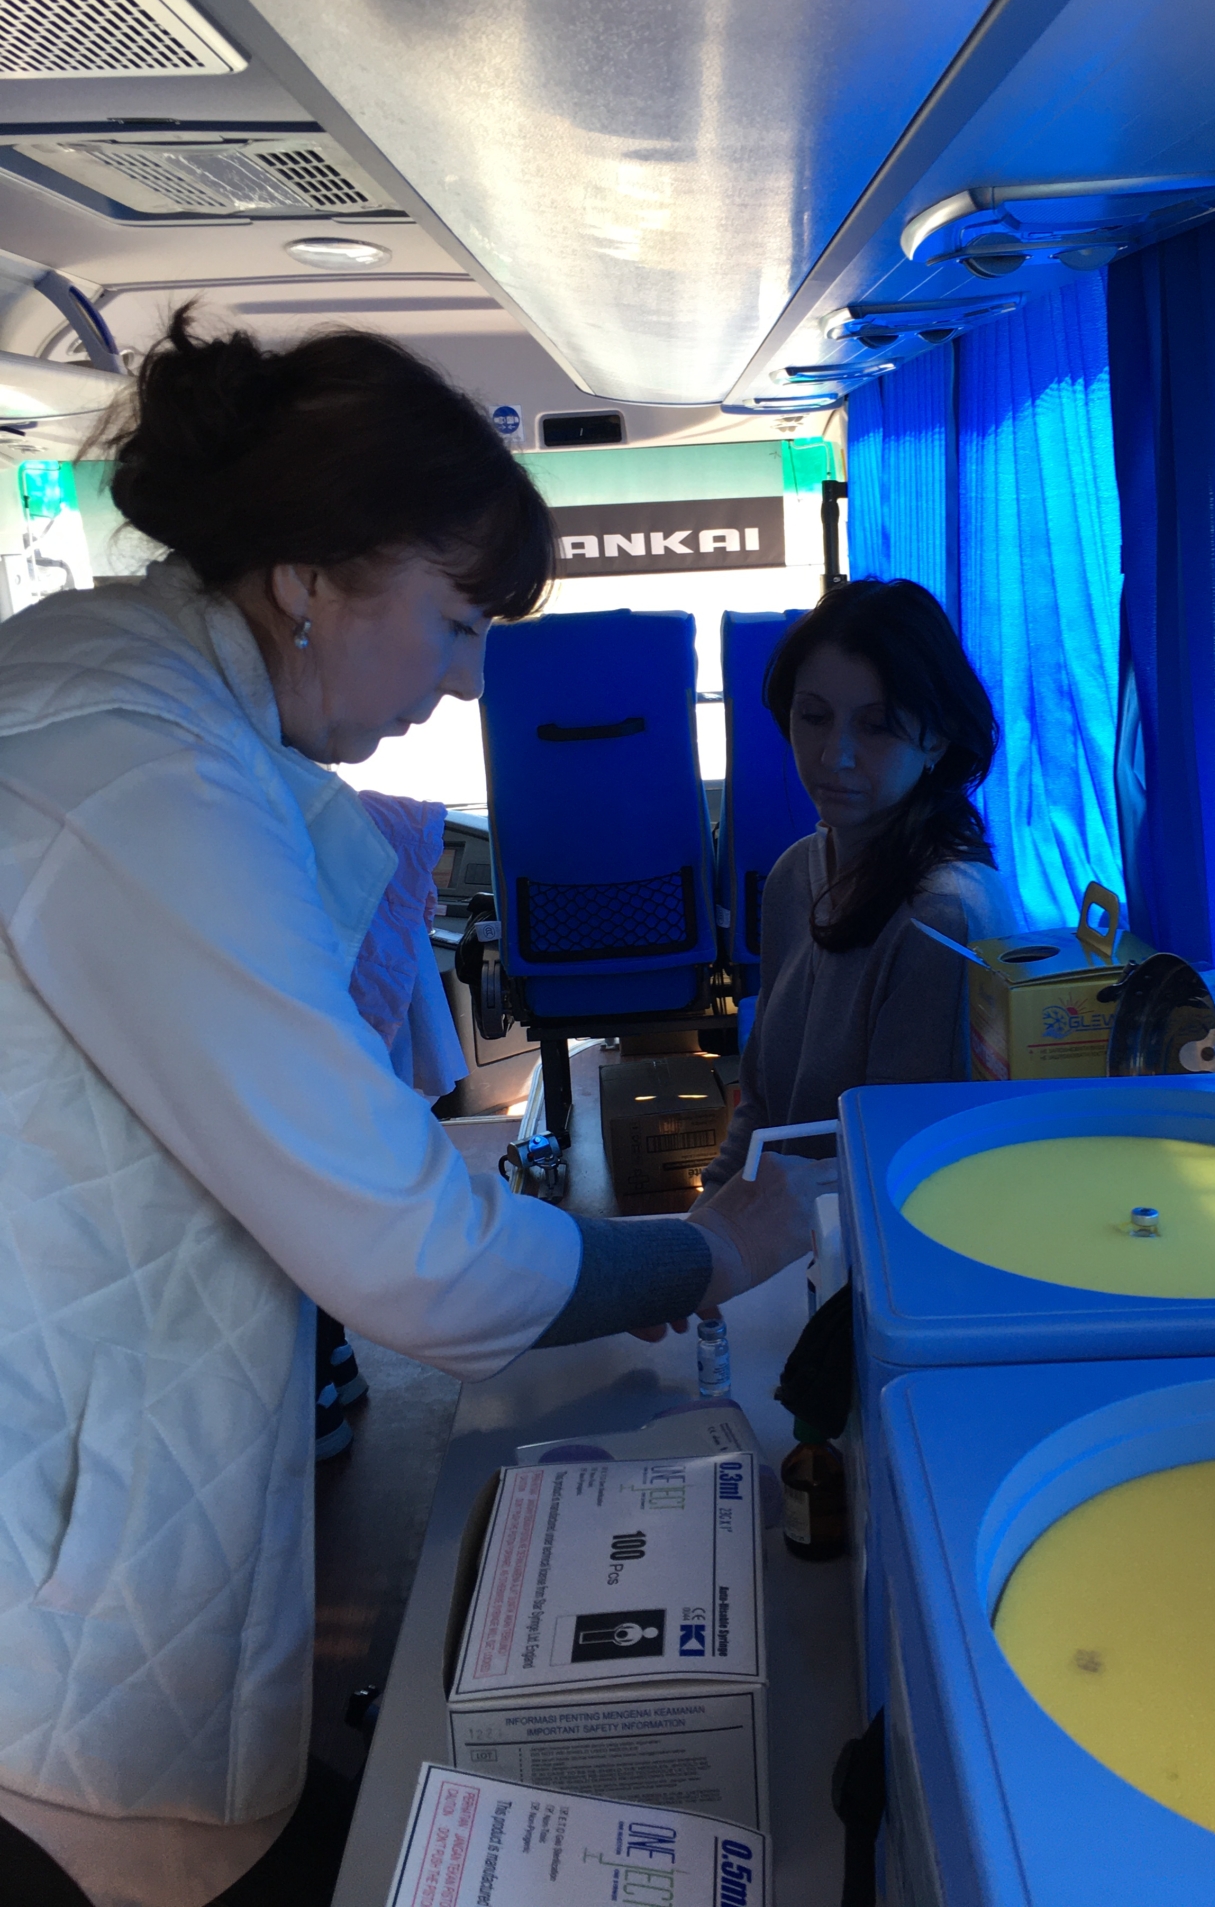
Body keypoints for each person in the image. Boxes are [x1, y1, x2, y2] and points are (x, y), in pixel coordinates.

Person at [0, 310, 809, 1907]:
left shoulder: (111, 694)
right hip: (61, 1604)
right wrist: (706, 1251)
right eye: (453, 621)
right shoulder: (147, 779)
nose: (464, 680)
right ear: (309, 575)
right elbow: (419, 1258)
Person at [697, 578, 1018, 1205]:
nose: (834, 756)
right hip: (778, 1235)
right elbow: (761, 1108)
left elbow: (900, 1177)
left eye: (877, 726)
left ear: (937, 739)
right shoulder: (795, 874)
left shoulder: (943, 919)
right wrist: (703, 1228)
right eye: (814, 717)